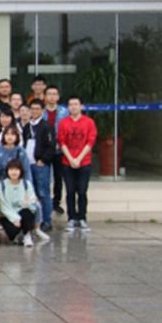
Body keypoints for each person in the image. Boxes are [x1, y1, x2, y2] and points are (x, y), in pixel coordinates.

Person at [58, 95, 97, 232]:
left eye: (76, 104)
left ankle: (82, 218)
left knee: (82, 191)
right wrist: (71, 159)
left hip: (84, 161)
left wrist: (79, 159)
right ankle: (71, 218)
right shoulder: (63, 122)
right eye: (71, 104)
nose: (73, 107)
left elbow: (90, 142)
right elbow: (61, 142)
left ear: (81, 106)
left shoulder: (89, 122)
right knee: (70, 191)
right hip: (67, 162)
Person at [23, 99, 57, 231]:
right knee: (32, 193)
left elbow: (51, 146)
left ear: (42, 111)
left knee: (43, 193)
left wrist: (43, 159)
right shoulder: (27, 126)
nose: (35, 111)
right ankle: (35, 220)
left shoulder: (46, 126)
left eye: (37, 109)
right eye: (32, 109)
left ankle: (46, 221)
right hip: (28, 164)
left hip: (40, 164)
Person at [0, 159, 38, 247]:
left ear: (20, 171)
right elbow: (3, 206)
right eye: (11, 169)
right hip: (8, 215)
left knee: (27, 213)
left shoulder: (26, 184)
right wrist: (15, 218)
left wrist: (25, 203)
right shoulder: (1, 186)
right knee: (12, 233)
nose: (14, 172)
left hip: (23, 212)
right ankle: (18, 234)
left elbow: (31, 201)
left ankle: (27, 235)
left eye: (16, 169)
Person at [44, 85, 69, 215]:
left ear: (58, 97)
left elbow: (67, 130)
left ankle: (56, 202)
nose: (52, 97)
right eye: (49, 94)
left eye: (54, 94)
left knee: (58, 178)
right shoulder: (40, 111)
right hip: (45, 150)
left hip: (60, 149)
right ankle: (46, 202)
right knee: (45, 177)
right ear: (45, 96)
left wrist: (61, 143)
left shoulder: (65, 112)